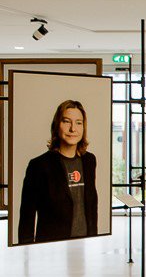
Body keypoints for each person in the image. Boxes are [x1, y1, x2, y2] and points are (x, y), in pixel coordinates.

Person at [18, 100, 98, 244]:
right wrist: (26, 251)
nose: (73, 129)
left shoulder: (89, 161)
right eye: (67, 121)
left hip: (86, 244)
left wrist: (95, 239)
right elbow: (27, 217)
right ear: (57, 125)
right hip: (52, 247)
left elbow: (91, 206)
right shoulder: (39, 165)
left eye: (79, 123)